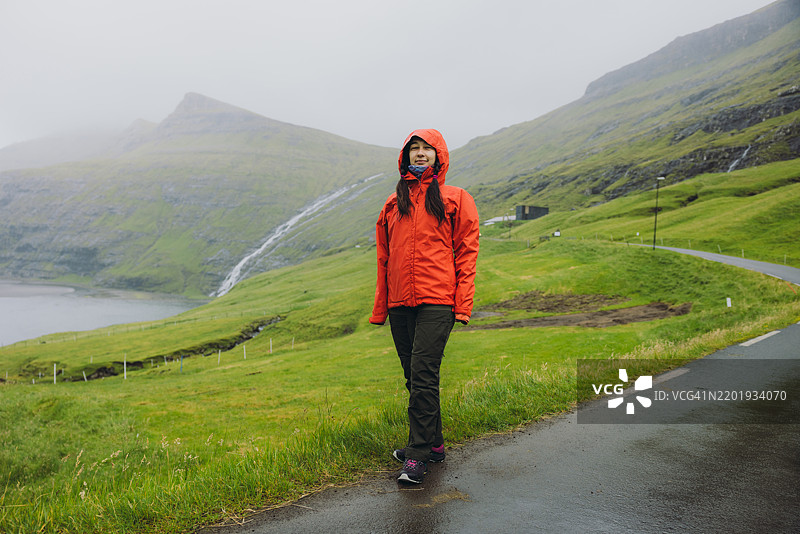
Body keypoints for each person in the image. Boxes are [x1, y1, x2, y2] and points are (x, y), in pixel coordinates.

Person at [369, 129, 480, 484]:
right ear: (405, 157)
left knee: (423, 375)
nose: (419, 154)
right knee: (412, 377)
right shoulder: (392, 202)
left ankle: (416, 456)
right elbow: (383, 259)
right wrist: (381, 307)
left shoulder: (456, 198)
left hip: (437, 300)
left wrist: (461, 305)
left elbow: (467, 253)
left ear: (438, 156)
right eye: (413, 149)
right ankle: (433, 445)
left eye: (426, 149)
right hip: (401, 301)